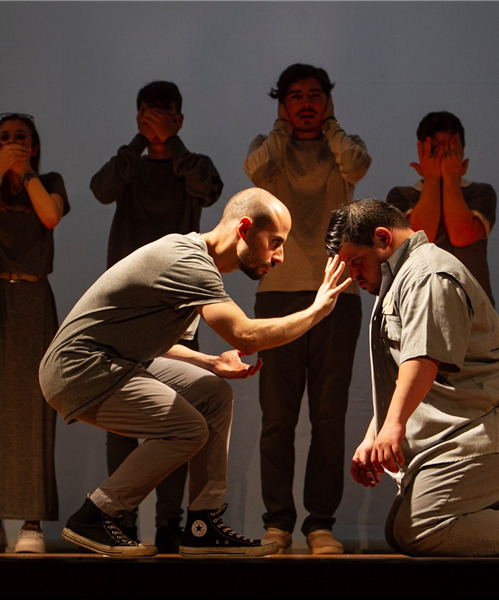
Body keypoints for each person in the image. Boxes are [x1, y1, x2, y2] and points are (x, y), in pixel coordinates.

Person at [38, 187, 351, 558]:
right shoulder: (188, 262)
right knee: (186, 428)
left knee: (212, 392)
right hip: (79, 368)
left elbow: (160, 342)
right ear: (245, 228)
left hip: (114, 361)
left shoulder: (194, 260)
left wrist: (211, 363)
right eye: (275, 242)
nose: (280, 256)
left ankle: (203, 525)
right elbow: (247, 336)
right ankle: (96, 514)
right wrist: (316, 310)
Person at [324, 197, 499, 557]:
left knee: (421, 527)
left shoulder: (428, 274)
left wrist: (392, 426)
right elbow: (403, 375)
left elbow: (424, 359)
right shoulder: (400, 278)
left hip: (497, 431)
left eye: (356, 262)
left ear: (382, 238)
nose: (353, 276)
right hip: (467, 436)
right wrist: (373, 434)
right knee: (399, 529)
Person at [90, 80, 224, 551]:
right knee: (120, 417)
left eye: (163, 114)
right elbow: (100, 188)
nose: (155, 122)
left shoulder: (194, 165)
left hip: (177, 308)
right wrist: (139, 143)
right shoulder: (128, 166)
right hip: (125, 311)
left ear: (180, 119)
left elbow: (210, 189)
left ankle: (171, 524)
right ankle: (116, 518)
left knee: (178, 415)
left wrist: (173, 142)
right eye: (146, 114)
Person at [243, 63, 371, 554]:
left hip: (337, 294)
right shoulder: (271, 150)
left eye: (315, 95)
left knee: (328, 418)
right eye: (294, 96)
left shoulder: (343, 148)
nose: (305, 104)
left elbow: (358, 166)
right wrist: (280, 128)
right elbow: (254, 172)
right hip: (277, 295)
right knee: (277, 418)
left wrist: (332, 126)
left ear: (329, 102)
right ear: (281, 104)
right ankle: (277, 524)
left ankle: (321, 525)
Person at [0, 113, 69, 553]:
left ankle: (30, 524)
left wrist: (23, 173)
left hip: (30, 297)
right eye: (4, 139)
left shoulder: (50, 181)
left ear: (35, 146)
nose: (12, 144)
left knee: (31, 408)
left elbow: (49, 217)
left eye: (20, 138)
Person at [386, 111, 496, 303]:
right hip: (420, 302)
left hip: (473, 305)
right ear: (422, 151)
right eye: (435, 150)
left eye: (451, 149)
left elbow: (462, 235)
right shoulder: (400, 196)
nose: (444, 157)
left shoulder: (481, 191)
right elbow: (421, 236)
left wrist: (451, 178)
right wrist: (432, 178)